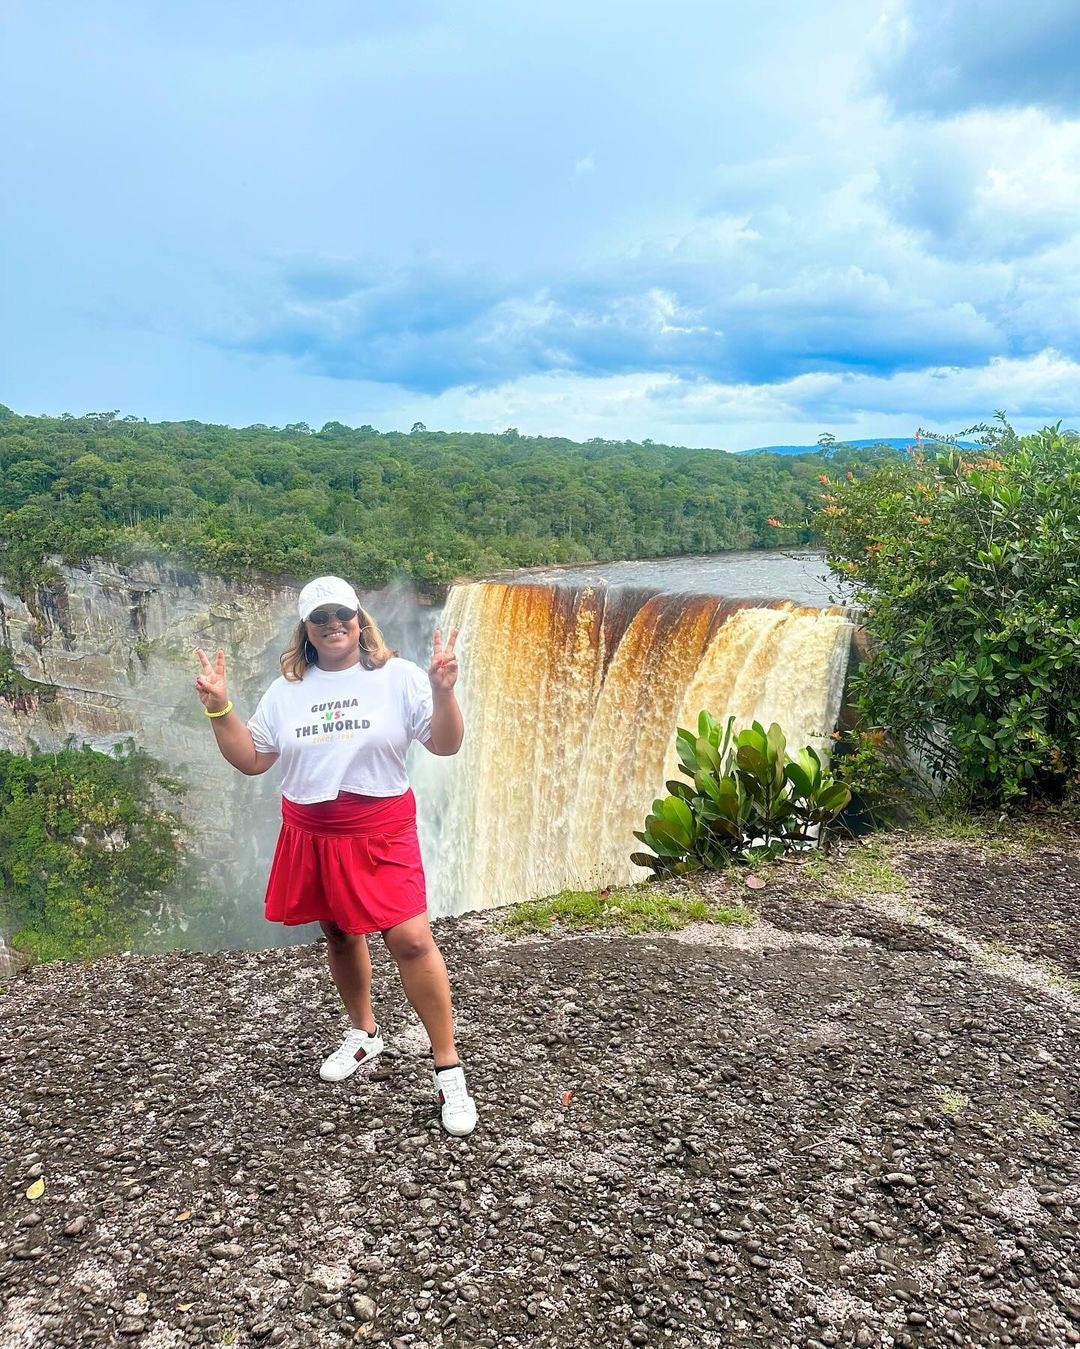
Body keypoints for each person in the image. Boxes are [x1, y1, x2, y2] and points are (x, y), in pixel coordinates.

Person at [193, 575, 476, 1136]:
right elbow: (252, 760)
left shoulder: (398, 678)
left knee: (412, 939)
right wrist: (220, 709)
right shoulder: (285, 692)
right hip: (311, 830)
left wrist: (444, 692)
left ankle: (448, 1070)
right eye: (320, 618)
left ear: (358, 617)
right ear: (307, 629)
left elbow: (445, 744)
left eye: (342, 615)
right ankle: (364, 1034)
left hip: (380, 829)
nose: (333, 625)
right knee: (341, 934)